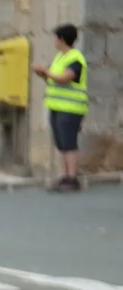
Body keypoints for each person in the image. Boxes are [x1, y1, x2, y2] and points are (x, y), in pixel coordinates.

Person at [33, 23, 87, 192]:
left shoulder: (75, 58)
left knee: (69, 143)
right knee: (61, 143)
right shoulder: (59, 58)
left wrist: (46, 71)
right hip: (57, 107)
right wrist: (43, 74)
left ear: (62, 39)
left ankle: (72, 177)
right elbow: (53, 79)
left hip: (71, 108)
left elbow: (66, 78)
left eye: (55, 38)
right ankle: (65, 175)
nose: (54, 41)